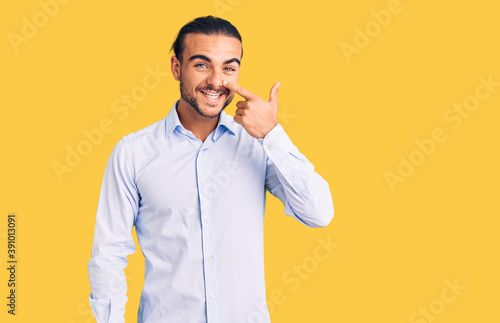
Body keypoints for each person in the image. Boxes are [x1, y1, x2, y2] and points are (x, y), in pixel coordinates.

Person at [87, 15, 334, 323]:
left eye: (229, 67)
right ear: (177, 67)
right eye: (202, 65)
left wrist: (273, 134)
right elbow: (108, 255)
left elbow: (319, 213)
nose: (217, 81)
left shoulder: (258, 145)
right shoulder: (133, 152)